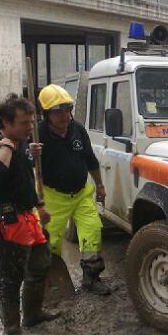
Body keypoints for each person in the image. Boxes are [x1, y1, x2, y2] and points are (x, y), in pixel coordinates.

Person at [0, 94, 61, 335]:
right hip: (7, 221)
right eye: (24, 123)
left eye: (32, 121)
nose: (30, 127)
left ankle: (33, 315)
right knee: (10, 277)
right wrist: (7, 148)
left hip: (28, 216)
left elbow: (25, 181)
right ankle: (11, 331)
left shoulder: (23, 143)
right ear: (6, 122)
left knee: (40, 264)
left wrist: (40, 205)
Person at [34, 84, 110, 295]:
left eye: (67, 109)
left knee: (92, 230)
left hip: (81, 192)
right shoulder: (36, 134)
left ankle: (91, 277)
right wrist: (30, 153)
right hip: (52, 197)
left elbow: (91, 160)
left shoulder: (78, 129)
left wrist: (100, 185)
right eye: (58, 111)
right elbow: (23, 165)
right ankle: (50, 281)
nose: (64, 115)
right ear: (47, 114)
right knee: (50, 239)